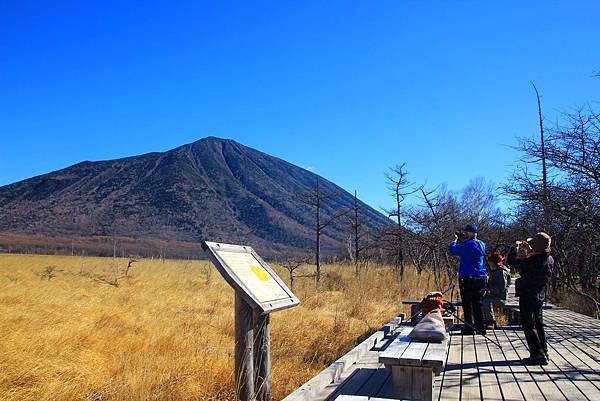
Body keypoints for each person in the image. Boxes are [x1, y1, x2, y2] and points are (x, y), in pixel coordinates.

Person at [507, 232, 553, 365]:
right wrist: (530, 250)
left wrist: (514, 248)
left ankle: (537, 354)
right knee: (538, 323)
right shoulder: (549, 259)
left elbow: (512, 261)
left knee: (528, 324)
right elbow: (537, 257)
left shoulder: (533, 261)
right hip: (539, 294)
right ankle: (544, 350)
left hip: (528, 294)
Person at [449, 224, 488, 335]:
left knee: (467, 303)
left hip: (467, 277)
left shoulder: (467, 245)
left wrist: (456, 240)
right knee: (478, 303)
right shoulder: (481, 244)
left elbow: (452, 250)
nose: (465, 234)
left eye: (466, 232)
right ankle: (481, 328)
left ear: (470, 233)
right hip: (480, 277)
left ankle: (469, 328)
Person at [482, 252, 511, 330]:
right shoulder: (495, 271)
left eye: (490, 263)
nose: (489, 265)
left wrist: (489, 287)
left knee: (486, 301)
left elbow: (501, 289)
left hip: (501, 297)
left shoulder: (501, 272)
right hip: (494, 295)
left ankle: (491, 322)